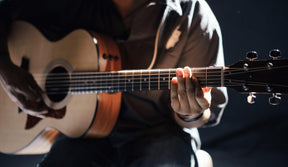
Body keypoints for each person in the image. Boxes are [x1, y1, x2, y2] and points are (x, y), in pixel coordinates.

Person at [0, 0, 227, 166]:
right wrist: (5, 69)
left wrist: (190, 111)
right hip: (83, 135)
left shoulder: (192, 13)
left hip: (159, 133)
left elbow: (203, 115)